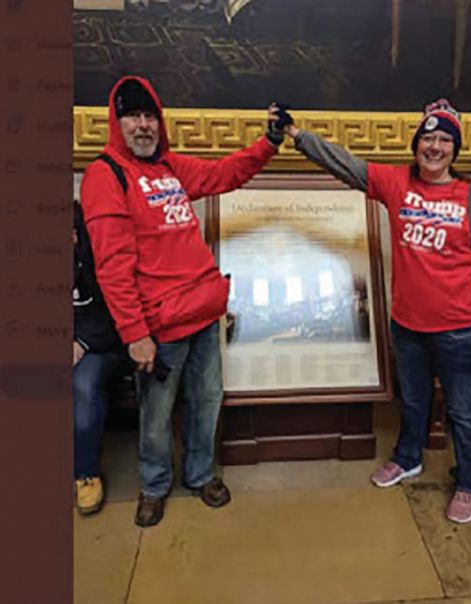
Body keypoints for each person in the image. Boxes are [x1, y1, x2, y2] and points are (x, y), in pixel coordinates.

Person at [283, 99, 471, 524]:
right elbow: (345, 164)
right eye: (427, 138)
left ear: (455, 148)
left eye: (445, 139)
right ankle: (408, 457)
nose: (435, 147)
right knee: (412, 400)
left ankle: (468, 481)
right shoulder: (396, 183)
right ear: (416, 144)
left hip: (459, 330)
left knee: (463, 413)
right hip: (408, 325)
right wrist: (299, 137)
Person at [80, 75, 284, 527]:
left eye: (150, 115)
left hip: (203, 314)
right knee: (155, 417)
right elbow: (112, 266)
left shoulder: (170, 167)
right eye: (133, 116)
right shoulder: (105, 176)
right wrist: (135, 335)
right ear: (117, 124)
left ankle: (199, 475)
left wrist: (268, 143)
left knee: (207, 400)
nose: (143, 125)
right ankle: (154, 486)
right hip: (158, 327)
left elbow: (224, 173)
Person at [73, 200, 130, 515]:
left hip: (103, 343)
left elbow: (119, 311)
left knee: (83, 383)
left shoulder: (99, 248)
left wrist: (82, 341)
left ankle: (85, 473)